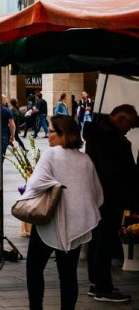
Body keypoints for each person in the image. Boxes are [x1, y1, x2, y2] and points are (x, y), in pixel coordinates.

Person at [23, 115, 103, 310]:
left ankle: (36, 308)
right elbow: (97, 194)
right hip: (76, 223)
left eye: (51, 131)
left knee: (34, 268)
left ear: (63, 134)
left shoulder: (51, 154)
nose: (48, 135)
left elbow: (34, 184)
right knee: (68, 273)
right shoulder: (85, 158)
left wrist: (49, 186)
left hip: (49, 221)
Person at [84, 104, 138, 303]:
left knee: (98, 239)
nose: (129, 128)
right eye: (129, 124)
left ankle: (97, 282)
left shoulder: (99, 135)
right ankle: (102, 286)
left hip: (101, 196)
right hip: (109, 197)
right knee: (104, 241)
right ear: (120, 119)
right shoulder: (109, 139)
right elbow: (114, 172)